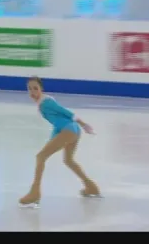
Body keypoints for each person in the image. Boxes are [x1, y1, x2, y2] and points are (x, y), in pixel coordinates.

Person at [19, 76, 100, 207]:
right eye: (29, 88)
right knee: (68, 160)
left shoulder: (46, 102)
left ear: (41, 89)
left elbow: (66, 112)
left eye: (35, 88)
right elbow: (58, 123)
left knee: (40, 156)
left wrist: (84, 124)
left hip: (69, 130)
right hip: (71, 130)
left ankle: (35, 193)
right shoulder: (42, 103)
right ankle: (91, 186)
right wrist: (52, 139)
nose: (32, 91)